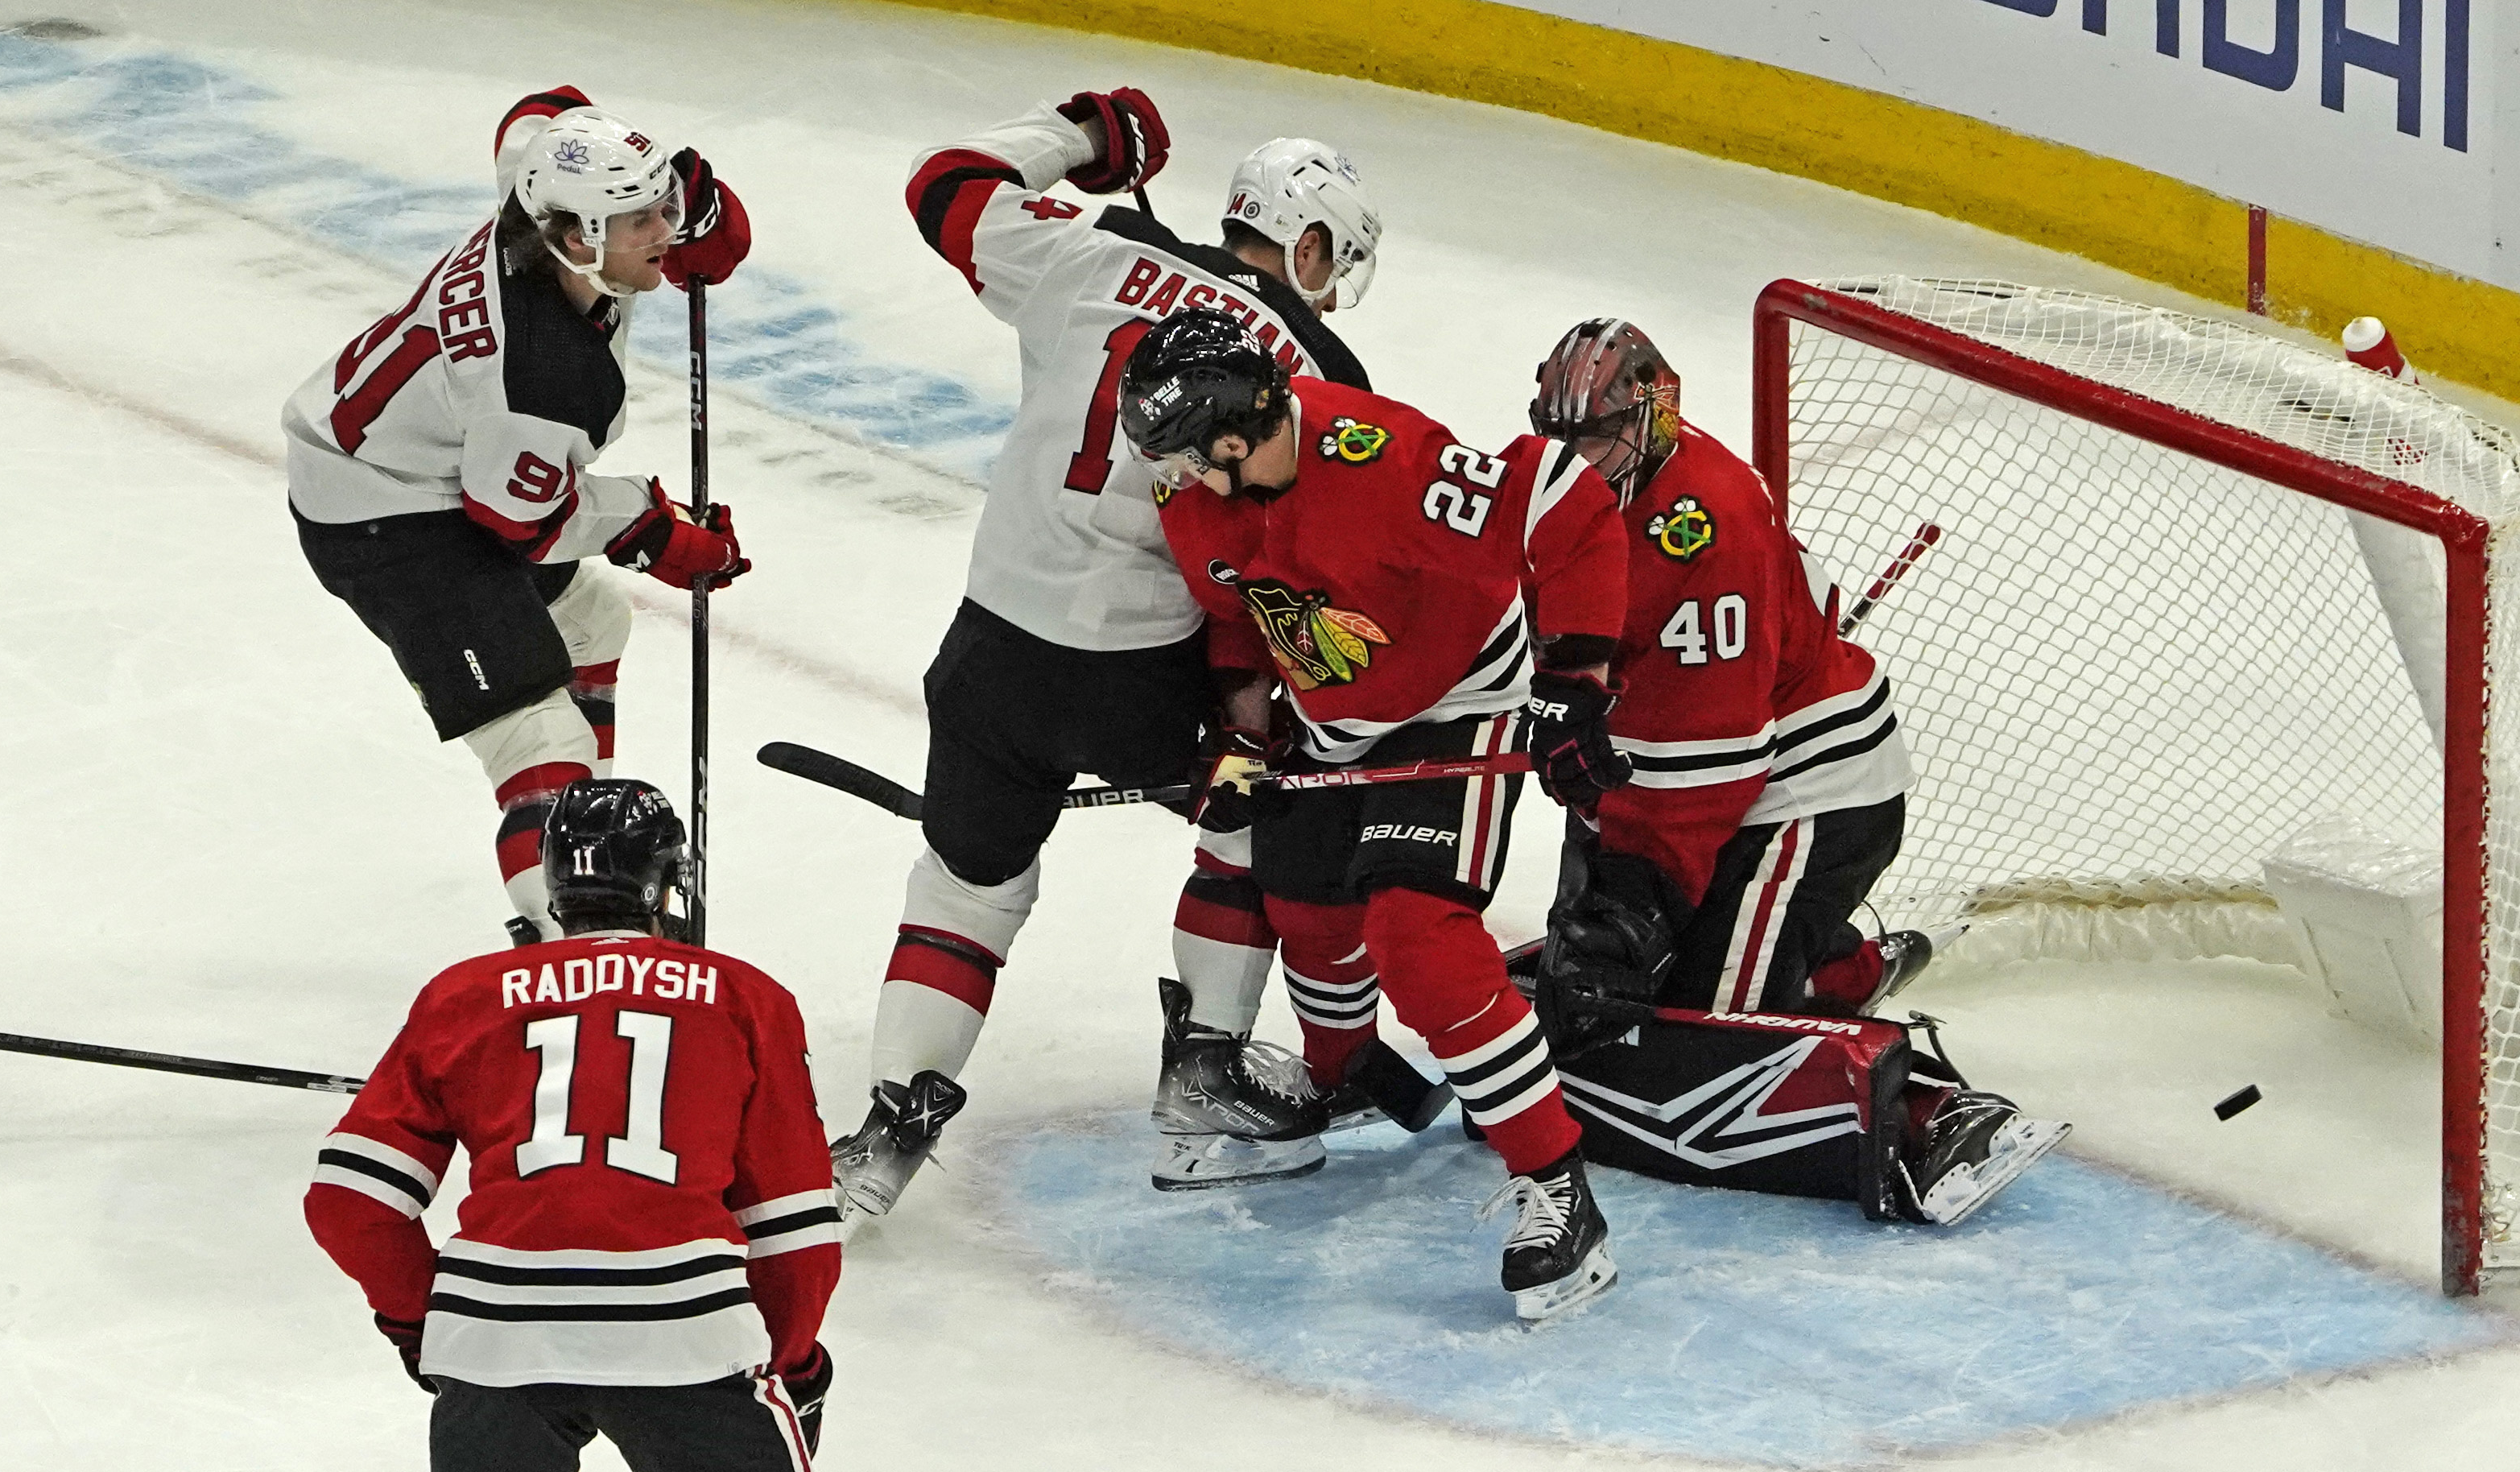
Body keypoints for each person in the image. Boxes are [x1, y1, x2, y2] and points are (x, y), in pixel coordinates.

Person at [835, 86, 1388, 1214]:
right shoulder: (1316, 366)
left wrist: (1083, 133)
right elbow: (1284, 564)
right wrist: (1257, 714)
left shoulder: (1090, 253)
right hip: (1149, 679)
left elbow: (942, 182)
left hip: (988, 653)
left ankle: (887, 1127)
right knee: (1249, 820)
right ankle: (1203, 1076)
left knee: (967, 884)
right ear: (1313, 243)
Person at [1122, 308, 1631, 1321]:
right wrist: (1239, 722)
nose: (1164, 478)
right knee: (1306, 905)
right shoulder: (1204, 501)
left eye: (1179, 456)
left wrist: (1575, 680)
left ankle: (1561, 1188)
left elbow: (1563, 499)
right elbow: (1241, 621)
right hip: (1332, 717)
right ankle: (1343, 1075)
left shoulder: (1385, 461)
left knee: (1418, 939)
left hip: (1457, 711)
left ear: (1233, 437)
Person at [1521, 317, 2064, 1226]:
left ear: (1656, 414)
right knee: (1598, 998)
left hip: (1805, 790)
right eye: (1561, 438)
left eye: (1599, 437)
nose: (1577, 461)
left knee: (1707, 1035)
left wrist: (1631, 899)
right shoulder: (1562, 491)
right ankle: (1837, 961)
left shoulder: (1707, 526)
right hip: (1686, 762)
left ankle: (1935, 1110)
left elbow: (1715, 768)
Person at [282, 87, 754, 945]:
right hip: (385, 518)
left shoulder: (541, 202)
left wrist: (698, 198)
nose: (665, 233)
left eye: (664, 208)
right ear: (577, 240)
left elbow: (545, 113)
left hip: (424, 457)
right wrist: (652, 528)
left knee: (593, 619)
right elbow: (515, 525)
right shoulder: (538, 375)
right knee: (537, 736)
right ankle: (580, 934)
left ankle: (585, 849)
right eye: (641, 219)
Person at [304, 779, 839, 1470]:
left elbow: (350, 1202)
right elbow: (793, 1229)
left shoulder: (461, 996)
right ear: (667, 881)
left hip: (494, 1340)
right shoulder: (744, 998)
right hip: (685, 1337)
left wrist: (425, 1322)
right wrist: (792, 1366)